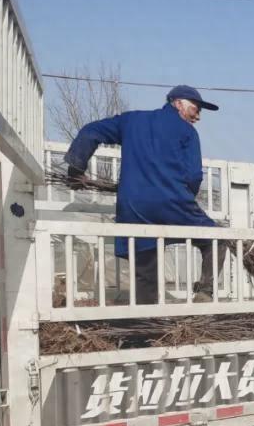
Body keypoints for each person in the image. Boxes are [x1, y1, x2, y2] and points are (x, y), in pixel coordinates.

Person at [64, 85, 224, 304]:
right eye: (195, 109)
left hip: (134, 208)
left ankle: (143, 328)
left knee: (146, 272)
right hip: (174, 202)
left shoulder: (132, 121)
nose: (198, 116)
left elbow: (91, 131)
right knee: (215, 239)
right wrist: (186, 197)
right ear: (177, 103)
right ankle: (205, 292)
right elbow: (194, 175)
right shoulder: (187, 132)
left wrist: (76, 170)